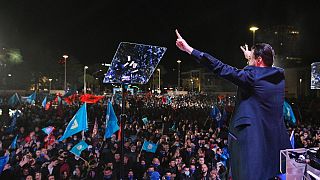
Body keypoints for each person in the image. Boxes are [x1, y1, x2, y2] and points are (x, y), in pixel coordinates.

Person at [175, 30, 291, 179]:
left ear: (259, 60)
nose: (248, 60)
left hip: (251, 141)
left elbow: (221, 68)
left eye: (251, 58)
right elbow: (261, 71)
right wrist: (251, 58)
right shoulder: (278, 77)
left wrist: (190, 50)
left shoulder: (252, 76)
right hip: (271, 143)